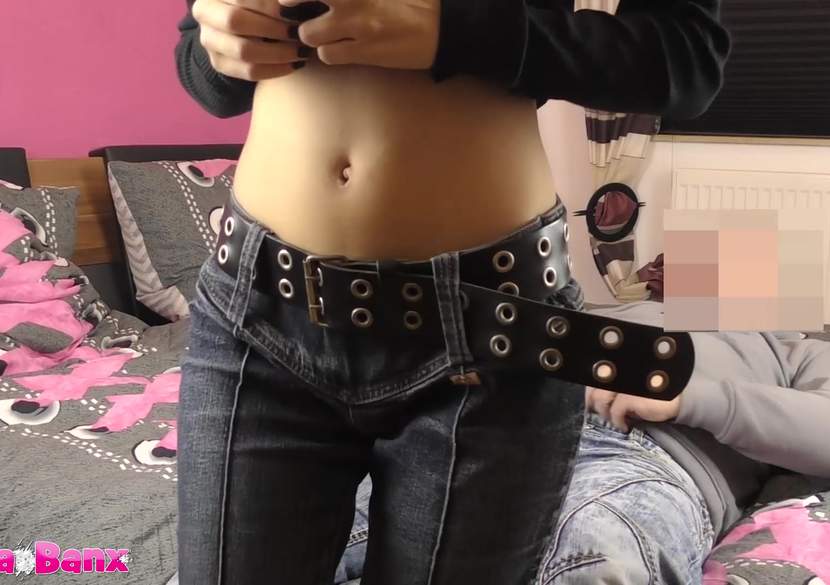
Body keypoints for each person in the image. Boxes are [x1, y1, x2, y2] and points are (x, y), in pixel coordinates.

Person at [173, 1, 730, 583]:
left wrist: (454, 30)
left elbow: (685, 59)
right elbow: (201, 64)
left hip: (491, 338)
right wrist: (222, 43)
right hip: (256, 314)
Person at [334, 301, 830, 584]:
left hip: (641, 456)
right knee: (317, 533)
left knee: (598, 556)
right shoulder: (601, 307)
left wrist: (687, 396)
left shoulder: (794, 350)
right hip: (490, 430)